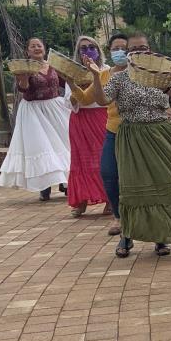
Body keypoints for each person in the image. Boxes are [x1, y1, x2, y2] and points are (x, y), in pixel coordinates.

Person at [87, 48, 171, 258]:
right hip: (132, 139)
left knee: (161, 188)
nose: (139, 54)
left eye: (144, 49)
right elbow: (102, 100)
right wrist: (96, 76)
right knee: (130, 188)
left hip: (160, 137)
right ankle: (126, 235)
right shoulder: (120, 78)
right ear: (129, 55)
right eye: (134, 50)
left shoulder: (162, 80)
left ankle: (160, 237)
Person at [0, 37, 71, 200]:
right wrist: (23, 77)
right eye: (33, 46)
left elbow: (66, 83)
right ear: (28, 51)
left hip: (55, 107)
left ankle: (64, 181)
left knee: (63, 143)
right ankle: (44, 186)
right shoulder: (23, 67)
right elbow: (23, 88)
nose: (37, 48)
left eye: (39, 45)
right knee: (41, 147)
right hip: (33, 111)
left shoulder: (53, 66)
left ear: (44, 49)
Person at [66, 35, 110, 218]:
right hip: (80, 119)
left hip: (101, 116)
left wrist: (94, 77)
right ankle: (81, 200)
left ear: (98, 50)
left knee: (103, 159)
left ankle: (109, 199)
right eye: (83, 48)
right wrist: (73, 88)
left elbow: (108, 94)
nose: (88, 50)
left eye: (91, 47)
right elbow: (68, 101)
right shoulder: (73, 72)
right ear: (78, 52)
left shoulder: (106, 70)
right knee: (81, 160)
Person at [99, 32, 131, 237]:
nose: (120, 52)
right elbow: (88, 99)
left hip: (136, 131)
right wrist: (74, 83)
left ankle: (154, 231)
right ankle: (118, 216)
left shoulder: (140, 73)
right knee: (109, 174)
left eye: (124, 48)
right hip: (113, 130)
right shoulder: (104, 74)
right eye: (115, 48)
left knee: (138, 179)